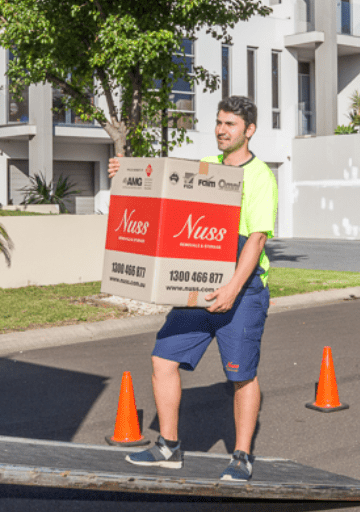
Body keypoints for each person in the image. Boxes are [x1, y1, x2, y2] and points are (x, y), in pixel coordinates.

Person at [107, 96, 278, 481]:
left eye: (230, 124)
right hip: (199, 287)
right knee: (162, 359)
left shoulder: (260, 177)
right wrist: (126, 169)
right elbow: (166, 188)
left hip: (244, 291)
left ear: (249, 130)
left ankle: (242, 455)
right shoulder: (208, 168)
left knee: (241, 375)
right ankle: (168, 446)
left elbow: (257, 238)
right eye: (219, 122)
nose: (221, 130)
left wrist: (233, 288)